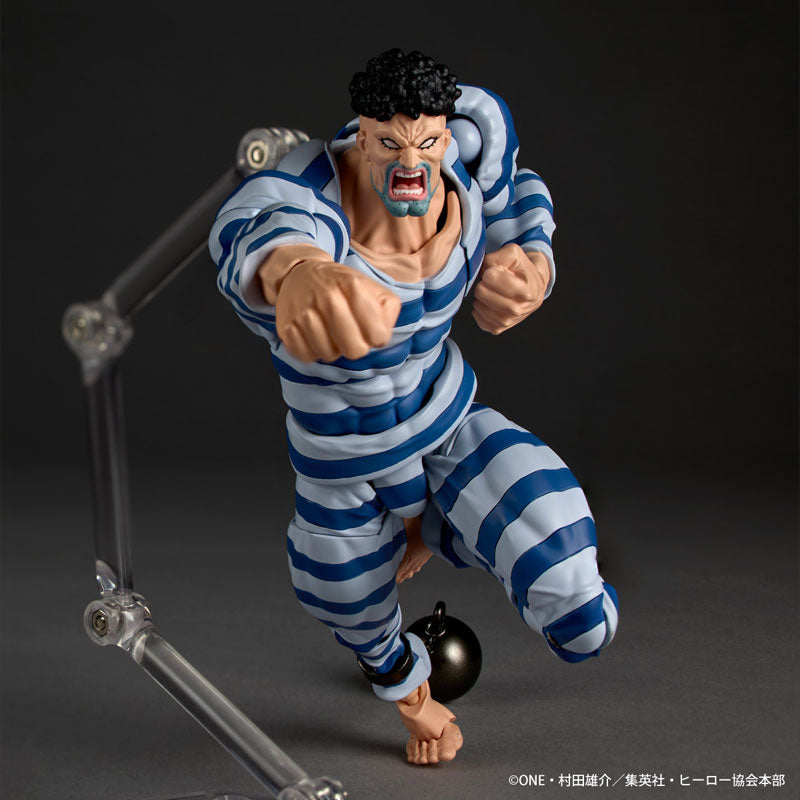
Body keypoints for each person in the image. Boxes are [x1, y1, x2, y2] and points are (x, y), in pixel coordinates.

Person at [209, 49, 618, 765]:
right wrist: (299, 276)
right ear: (360, 135)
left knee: (578, 605)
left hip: (445, 424)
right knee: (339, 587)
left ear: (444, 134)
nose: (411, 162)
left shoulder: (465, 156)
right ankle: (412, 696)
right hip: (348, 466)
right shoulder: (312, 192)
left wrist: (533, 266)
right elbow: (260, 231)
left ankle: (446, 529)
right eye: (389, 143)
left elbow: (517, 193)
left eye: (426, 142)